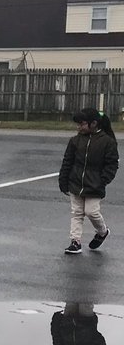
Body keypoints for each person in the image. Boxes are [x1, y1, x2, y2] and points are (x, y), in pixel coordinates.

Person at [59, 107, 118, 255]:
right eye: (78, 124)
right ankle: (75, 242)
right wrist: (63, 180)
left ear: (93, 123)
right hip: (75, 183)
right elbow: (67, 161)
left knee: (91, 212)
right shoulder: (75, 141)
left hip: (95, 185)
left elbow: (112, 164)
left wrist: (103, 180)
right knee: (77, 212)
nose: (79, 127)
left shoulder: (107, 142)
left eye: (82, 124)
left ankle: (102, 231)